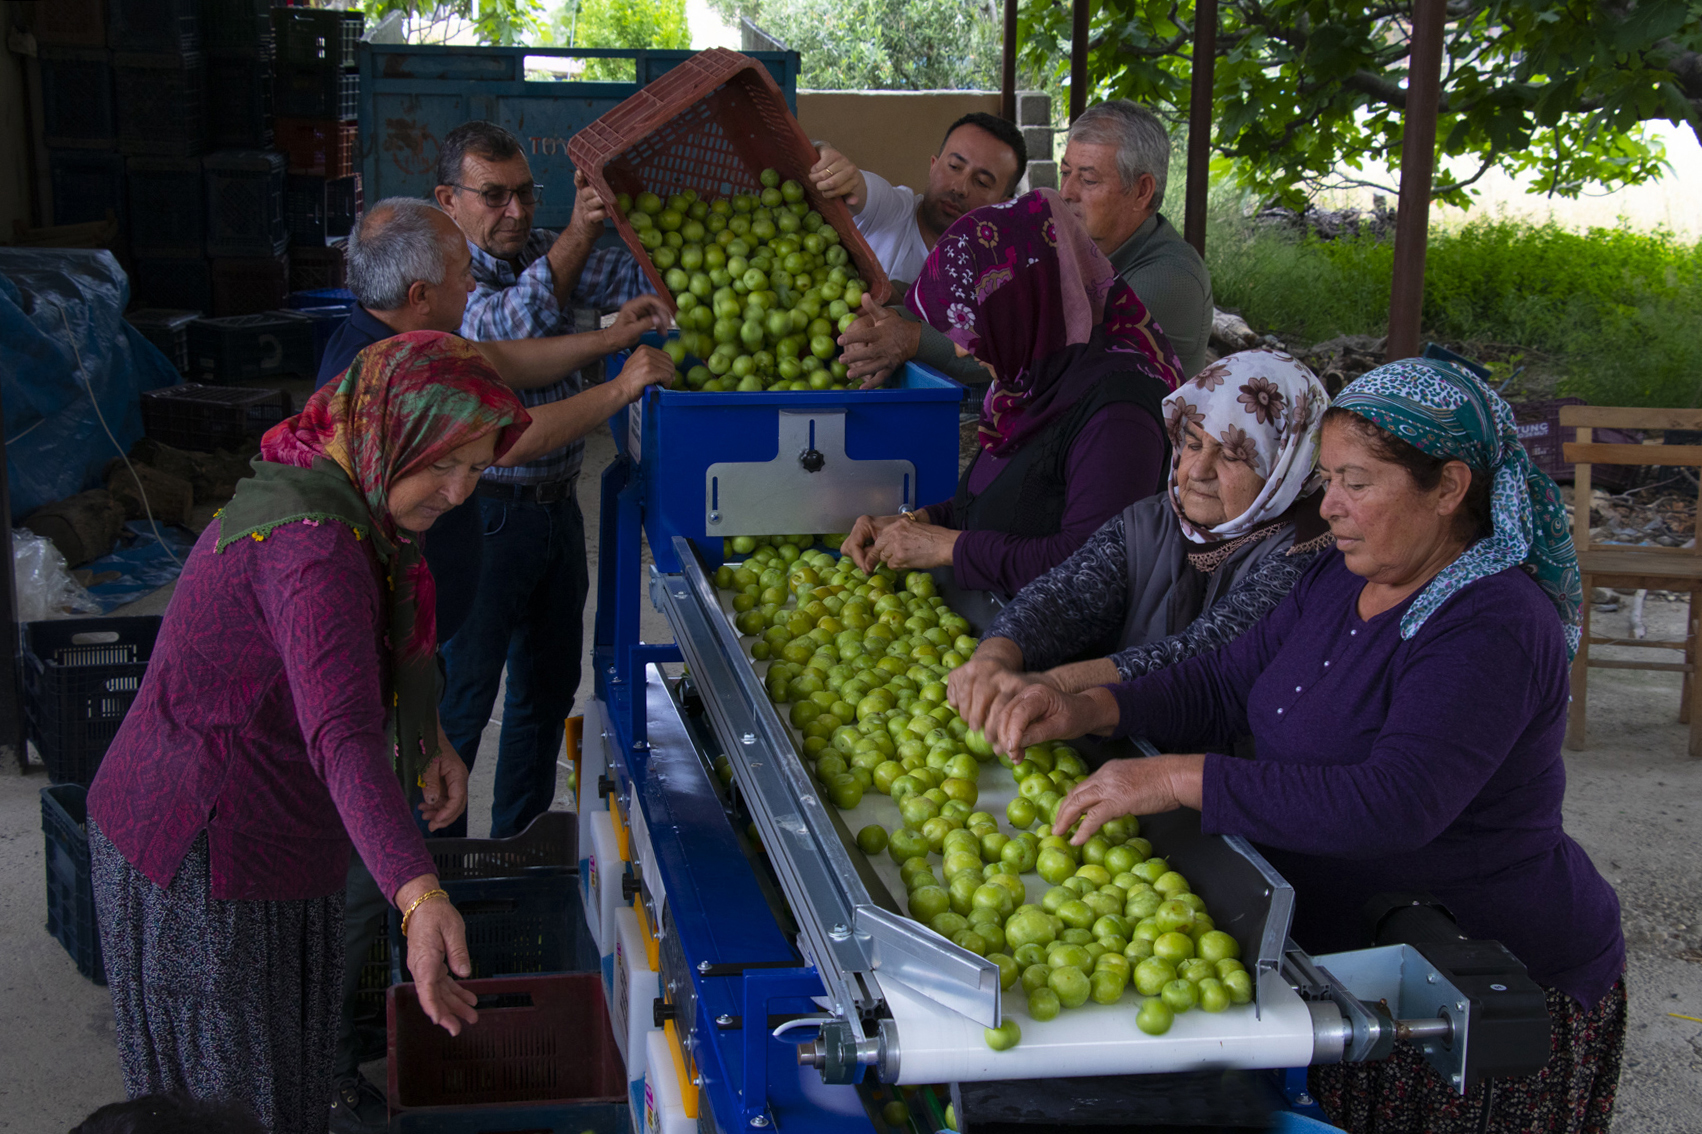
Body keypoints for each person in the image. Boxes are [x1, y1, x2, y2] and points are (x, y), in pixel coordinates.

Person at [987, 358, 1625, 1134]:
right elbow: (1224, 682)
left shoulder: (1490, 622)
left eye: (1357, 483)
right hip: (1347, 966)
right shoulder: (1337, 575)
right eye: (1327, 481)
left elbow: (1394, 804)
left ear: (1450, 488)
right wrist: (1085, 706)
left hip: (1466, 982)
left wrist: (1180, 778)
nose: (1331, 508)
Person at [87, 332, 523, 1132]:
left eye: (478, 466)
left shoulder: (343, 487)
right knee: (225, 1110)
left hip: (276, 837)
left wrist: (426, 740)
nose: (461, 491)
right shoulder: (311, 546)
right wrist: (418, 894)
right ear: (387, 433)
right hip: (206, 851)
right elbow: (341, 735)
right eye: (442, 463)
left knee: (285, 1085)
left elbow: (354, 668)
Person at [319, 197, 678, 1133]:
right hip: (375, 671)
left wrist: (608, 337)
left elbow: (509, 365)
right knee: (372, 856)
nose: (458, 487)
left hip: (407, 650)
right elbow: (509, 425)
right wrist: (619, 387)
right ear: (419, 289)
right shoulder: (375, 380)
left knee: (423, 797)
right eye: (460, 264)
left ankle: (395, 965)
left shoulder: (413, 345)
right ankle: (330, 1044)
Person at [430, 121, 653, 842]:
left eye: (525, 194)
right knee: (461, 703)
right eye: (493, 196)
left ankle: (511, 860)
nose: (516, 212)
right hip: (481, 517)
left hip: (558, 511)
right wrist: (578, 239)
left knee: (544, 698)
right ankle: (433, 882)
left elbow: (650, 285)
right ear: (449, 202)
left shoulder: (547, 254)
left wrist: (638, 214)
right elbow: (509, 328)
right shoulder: (442, 286)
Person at [948, 350, 1332, 734]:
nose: (1197, 471)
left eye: (1232, 455)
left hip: (1223, 772)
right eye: (1194, 443)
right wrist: (995, 656)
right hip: (1128, 742)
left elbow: (1205, 657)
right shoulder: (1155, 518)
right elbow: (1067, 596)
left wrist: (1056, 685)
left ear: (1287, 466)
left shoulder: (1308, 554)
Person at [840, 190, 1184, 597]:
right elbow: (1002, 501)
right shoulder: (1030, 385)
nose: (962, 349)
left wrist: (947, 547)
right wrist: (913, 523)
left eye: (973, 327)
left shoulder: (1118, 413)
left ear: (1021, 308)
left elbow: (1095, 569)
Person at [809, 113, 1029, 389]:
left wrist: (913, 335)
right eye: (954, 166)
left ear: (1004, 204)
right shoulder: (889, 209)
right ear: (933, 165)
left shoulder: (1000, 273)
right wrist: (826, 156)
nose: (959, 187)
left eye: (982, 182)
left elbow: (1014, 348)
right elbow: (852, 183)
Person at [1059, 101, 1214, 377]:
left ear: (1142, 191)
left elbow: (1046, 359)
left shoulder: (1171, 278)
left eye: (1089, 180)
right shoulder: (1084, 250)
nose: (1067, 193)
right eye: (1065, 173)